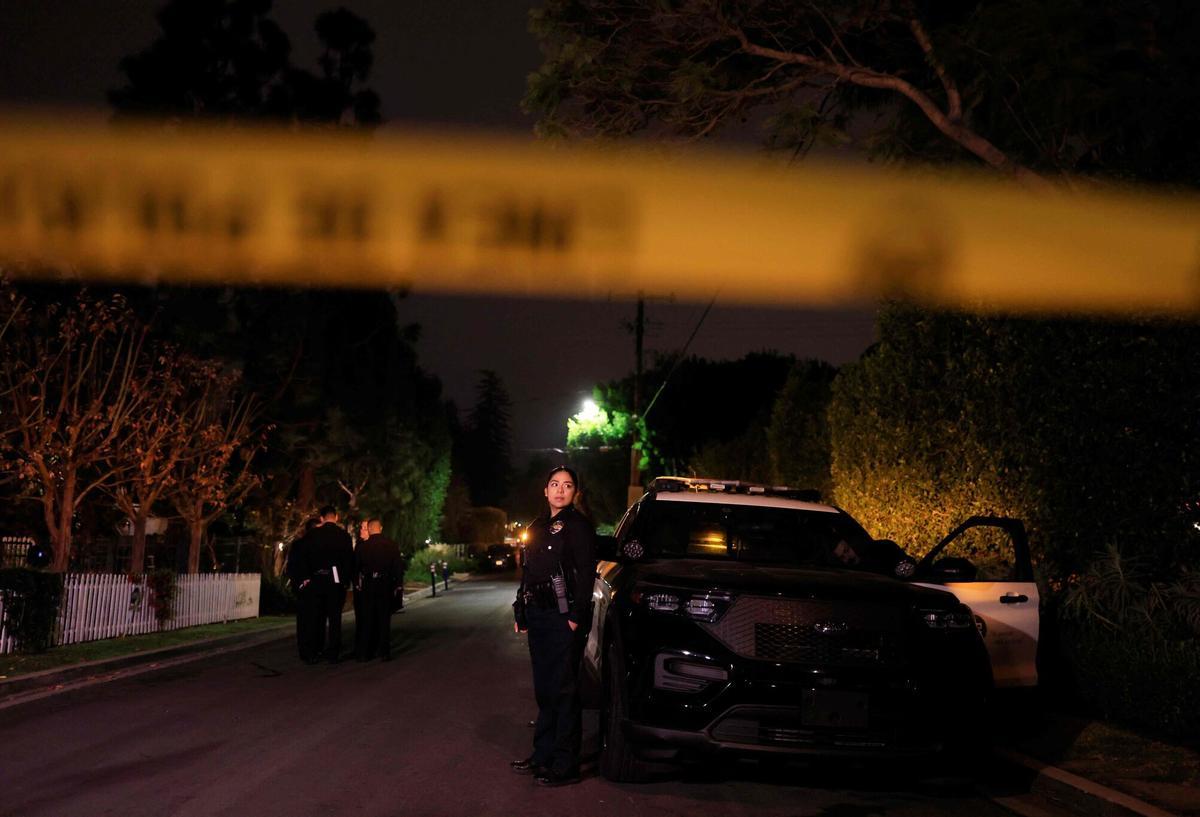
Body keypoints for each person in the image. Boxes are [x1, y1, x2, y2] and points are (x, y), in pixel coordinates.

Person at [510, 466, 596, 787]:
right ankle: (542, 755)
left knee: (564, 690)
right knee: (544, 689)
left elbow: (586, 575)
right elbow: (529, 573)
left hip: (563, 617)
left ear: (575, 493)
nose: (560, 490)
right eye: (555, 484)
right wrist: (521, 610)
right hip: (539, 615)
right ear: (545, 491)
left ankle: (565, 764)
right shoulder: (537, 526)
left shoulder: (579, 527)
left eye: (567, 485)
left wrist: (575, 616)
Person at [307, 505, 356, 663]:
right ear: (336, 517)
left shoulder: (313, 535)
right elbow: (349, 561)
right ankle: (333, 652)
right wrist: (346, 581)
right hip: (336, 581)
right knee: (335, 618)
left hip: (317, 580)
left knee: (317, 618)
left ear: (321, 518)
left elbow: (307, 558)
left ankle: (316, 650)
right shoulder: (343, 536)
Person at [354, 518, 404, 661]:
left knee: (367, 618)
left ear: (369, 529)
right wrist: (398, 584)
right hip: (385, 584)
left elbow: (356, 568)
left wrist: (357, 584)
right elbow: (398, 567)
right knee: (384, 619)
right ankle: (384, 652)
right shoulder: (391, 545)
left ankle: (365, 652)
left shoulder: (363, 547)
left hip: (368, 584)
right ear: (381, 528)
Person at [285, 516, 321, 663]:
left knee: (304, 620)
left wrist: (298, 583)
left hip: (302, 587)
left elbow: (291, 567)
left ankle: (305, 650)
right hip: (314, 587)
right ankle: (313, 649)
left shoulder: (297, 545)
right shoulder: (316, 546)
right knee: (314, 619)